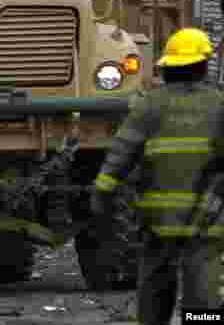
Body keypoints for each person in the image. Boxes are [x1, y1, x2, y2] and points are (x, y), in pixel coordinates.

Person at [91, 27, 224, 325]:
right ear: (203, 66)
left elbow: (120, 155)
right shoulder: (219, 105)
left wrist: (102, 195)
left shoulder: (149, 105)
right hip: (205, 220)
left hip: (157, 220)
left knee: (154, 286)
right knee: (202, 290)